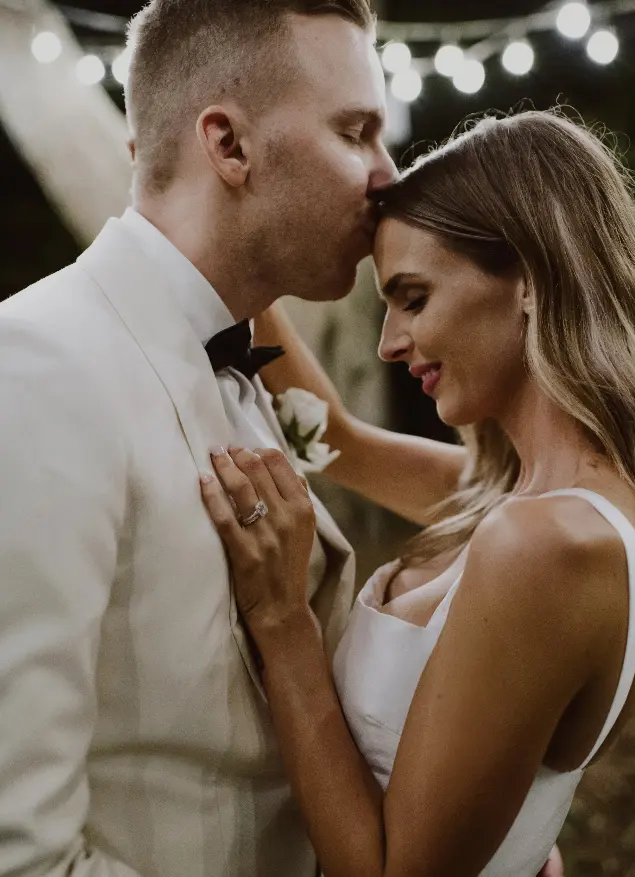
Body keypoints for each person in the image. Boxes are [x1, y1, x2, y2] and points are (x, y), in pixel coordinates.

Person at [199, 109, 635, 876]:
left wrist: (283, 621)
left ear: (530, 283)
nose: (387, 342)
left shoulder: (544, 544)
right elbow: (331, 438)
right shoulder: (531, 498)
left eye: (413, 298)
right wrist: (244, 252)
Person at [0, 1, 398, 876]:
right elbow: (20, 851)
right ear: (229, 146)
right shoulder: (35, 367)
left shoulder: (243, 368)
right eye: (358, 131)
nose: (387, 174)